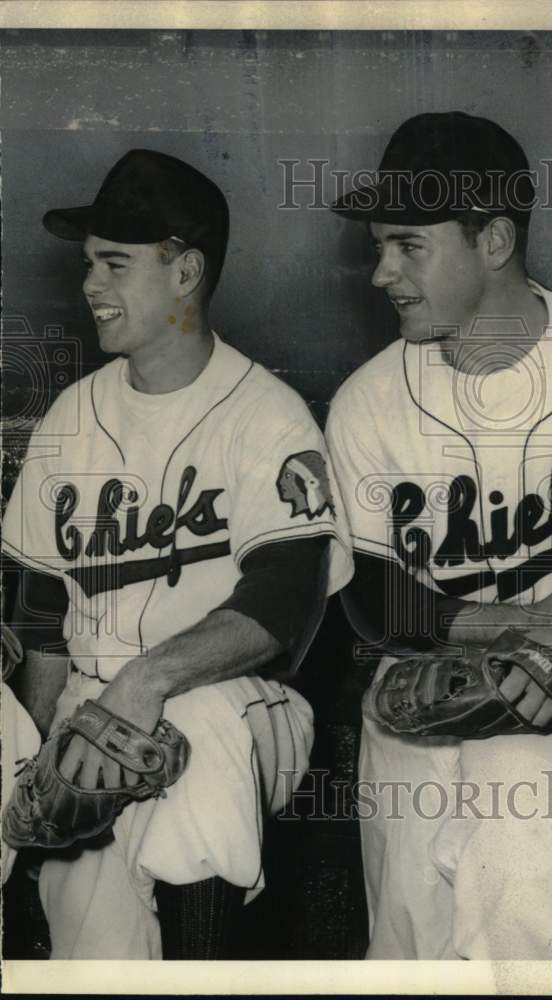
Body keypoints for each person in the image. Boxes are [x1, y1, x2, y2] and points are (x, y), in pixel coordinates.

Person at [326, 111, 552, 959]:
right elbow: (375, 602)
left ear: (492, 240)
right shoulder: (367, 401)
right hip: (422, 690)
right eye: (379, 246)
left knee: (515, 793)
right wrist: (540, 618)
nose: (381, 273)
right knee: (414, 922)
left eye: (408, 246)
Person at [1, 148, 352, 959]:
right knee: (97, 952)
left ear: (185, 272)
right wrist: (42, 743)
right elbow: (44, 611)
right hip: (94, 705)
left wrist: (144, 683)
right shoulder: (71, 416)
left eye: (115, 263)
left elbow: (282, 609)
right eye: (89, 263)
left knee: (200, 729)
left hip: (236, 699)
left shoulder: (267, 415)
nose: (91, 284)